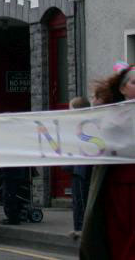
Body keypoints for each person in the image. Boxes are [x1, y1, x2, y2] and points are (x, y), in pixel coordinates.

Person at [80, 65, 135, 260]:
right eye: (134, 82)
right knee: (119, 235)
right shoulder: (111, 115)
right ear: (122, 88)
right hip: (119, 186)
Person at [64, 96, 92, 240]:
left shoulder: (86, 126)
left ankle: (82, 229)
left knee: (81, 199)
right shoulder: (75, 126)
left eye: (71, 109)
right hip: (77, 168)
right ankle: (78, 228)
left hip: (82, 169)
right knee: (77, 199)